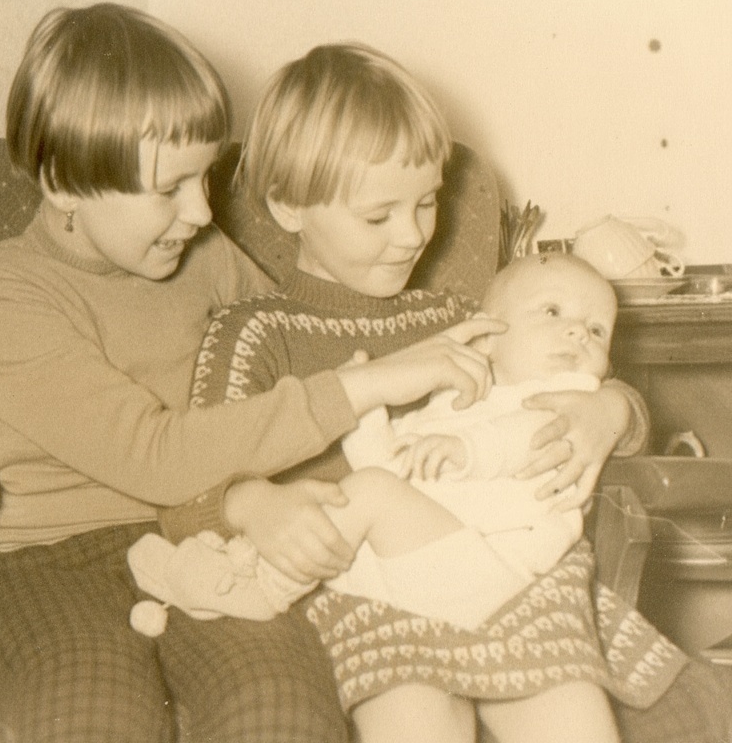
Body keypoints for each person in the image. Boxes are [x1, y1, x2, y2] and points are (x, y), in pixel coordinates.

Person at [0, 4, 510, 743]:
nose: (202, 211)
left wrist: (596, 407)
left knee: (280, 706)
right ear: (62, 181)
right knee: (94, 713)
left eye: (205, 177)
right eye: (170, 187)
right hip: (55, 564)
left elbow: (286, 352)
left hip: (212, 543)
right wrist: (370, 382)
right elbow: (155, 454)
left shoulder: (202, 257)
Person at [128, 43, 724, 743]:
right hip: (365, 593)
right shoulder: (255, 333)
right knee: (419, 717)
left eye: (427, 203)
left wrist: (612, 410)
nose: (412, 235)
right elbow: (187, 483)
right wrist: (252, 503)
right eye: (379, 216)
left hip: (504, 576)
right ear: (289, 205)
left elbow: (566, 373)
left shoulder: (456, 318)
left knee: (645, 712)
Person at [130, 251, 686, 742]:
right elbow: (388, 460)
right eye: (553, 313)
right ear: (486, 337)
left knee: (371, 493)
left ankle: (260, 585)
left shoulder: (562, 395)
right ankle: (233, 565)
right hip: (431, 575)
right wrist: (367, 410)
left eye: (597, 331)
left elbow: (520, 439)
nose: (578, 335)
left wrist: (608, 408)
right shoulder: (455, 397)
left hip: (505, 575)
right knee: (370, 489)